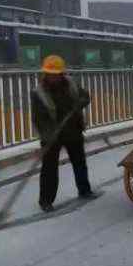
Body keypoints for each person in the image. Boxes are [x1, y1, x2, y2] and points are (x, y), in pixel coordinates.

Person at [31, 55, 96, 212]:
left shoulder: (71, 83)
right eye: (50, 73)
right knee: (49, 168)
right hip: (52, 134)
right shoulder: (38, 92)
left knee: (79, 161)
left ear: (61, 73)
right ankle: (45, 200)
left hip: (73, 129)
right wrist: (49, 136)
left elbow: (85, 96)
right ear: (45, 74)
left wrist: (81, 102)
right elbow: (39, 119)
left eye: (56, 73)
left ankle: (84, 190)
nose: (53, 77)